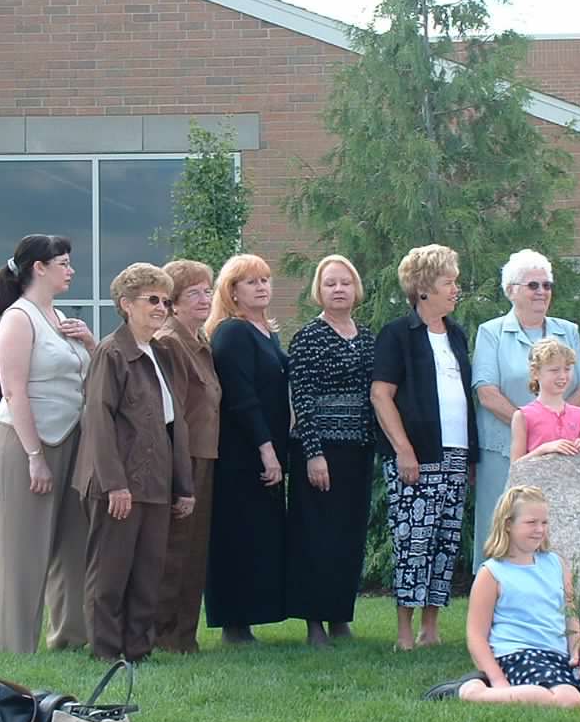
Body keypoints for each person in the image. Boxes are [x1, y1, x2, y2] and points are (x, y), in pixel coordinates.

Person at [74, 263, 195, 662]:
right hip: (120, 484)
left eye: (165, 300)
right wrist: (115, 484)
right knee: (110, 574)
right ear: (126, 305)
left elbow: (172, 424)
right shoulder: (112, 352)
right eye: (152, 300)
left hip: (155, 484)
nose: (161, 307)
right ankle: (107, 652)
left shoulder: (158, 354)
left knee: (147, 574)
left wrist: (183, 486)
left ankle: (138, 650)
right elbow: (98, 422)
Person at [0, 234, 96, 654]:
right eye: (63, 263)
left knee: (73, 542)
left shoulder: (60, 316)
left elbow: (88, 380)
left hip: (71, 438)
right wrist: (34, 457)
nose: (71, 270)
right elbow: (15, 391)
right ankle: (15, 645)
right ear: (39, 268)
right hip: (24, 442)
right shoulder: (18, 317)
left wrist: (90, 343)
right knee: (23, 548)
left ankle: (69, 637)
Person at [424, 485, 580, 705]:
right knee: (570, 700)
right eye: (531, 523)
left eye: (544, 523)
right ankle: (470, 691)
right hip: (518, 655)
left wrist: (577, 653)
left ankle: (537, 690)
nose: (540, 529)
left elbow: (572, 616)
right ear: (508, 525)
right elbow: (476, 636)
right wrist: (498, 680)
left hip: (556, 655)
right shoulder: (493, 572)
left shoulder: (556, 563)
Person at [371, 244, 478, 652]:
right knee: (412, 541)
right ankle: (403, 631)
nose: (456, 289)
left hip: (455, 454)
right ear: (423, 289)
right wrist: (403, 449)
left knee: (445, 541)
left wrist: (470, 457)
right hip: (418, 455)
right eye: (448, 281)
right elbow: (381, 395)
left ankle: (431, 627)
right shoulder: (397, 334)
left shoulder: (457, 335)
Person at [472, 249, 580, 572]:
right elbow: (487, 392)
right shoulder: (491, 332)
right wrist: (531, 425)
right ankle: (496, 603)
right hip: (504, 451)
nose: (541, 292)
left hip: (565, 454)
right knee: (504, 528)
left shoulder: (567, 330)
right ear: (512, 290)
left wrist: (560, 423)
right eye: (533, 285)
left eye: (547, 285)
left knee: (558, 530)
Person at [286, 255, 377, 648]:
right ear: (318, 292)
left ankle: (341, 615)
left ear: (355, 288)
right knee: (317, 536)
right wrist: (313, 453)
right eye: (330, 284)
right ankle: (314, 623)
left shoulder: (369, 337)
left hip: (358, 450)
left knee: (348, 535)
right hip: (320, 450)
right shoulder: (308, 337)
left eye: (344, 282)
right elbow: (302, 398)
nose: (338, 289)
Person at [205, 254, 289, 644]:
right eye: (251, 281)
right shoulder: (232, 333)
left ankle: (249, 618)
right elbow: (241, 398)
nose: (262, 287)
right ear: (232, 291)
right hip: (242, 453)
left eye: (265, 279)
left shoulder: (267, 332)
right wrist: (266, 450)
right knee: (237, 535)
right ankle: (234, 623)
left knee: (259, 535)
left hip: (265, 446)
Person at [151, 260, 221, 654]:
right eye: (193, 292)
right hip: (183, 459)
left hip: (206, 456)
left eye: (207, 290)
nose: (203, 298)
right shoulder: (170, 343)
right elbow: (171, 414)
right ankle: (163, 636)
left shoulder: (201, 341)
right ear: (173, 303)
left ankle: (184, 636)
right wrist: (180, 475)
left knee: (195, 551)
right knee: (175, 550)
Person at [510, 339, 580, 462]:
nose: (563, 376)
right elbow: (515, 465)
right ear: (535, 373)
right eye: (554, 370)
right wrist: (543, 449)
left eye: (567, 369)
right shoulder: (523, 416)